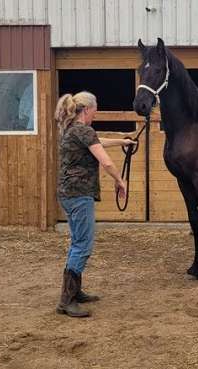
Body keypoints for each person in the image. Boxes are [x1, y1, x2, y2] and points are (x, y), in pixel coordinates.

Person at [54, 91, 134, 318]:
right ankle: (66, 300)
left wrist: (123, 141)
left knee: (77, 242)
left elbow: (97, 142)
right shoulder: (83, 130)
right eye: (95, 110)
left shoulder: (73, 129)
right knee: (83, 245)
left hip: (70, 193)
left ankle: (74, 291)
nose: (96, 114)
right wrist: (120, 182)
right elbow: (106, 161)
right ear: (87, 109)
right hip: (79, 195)